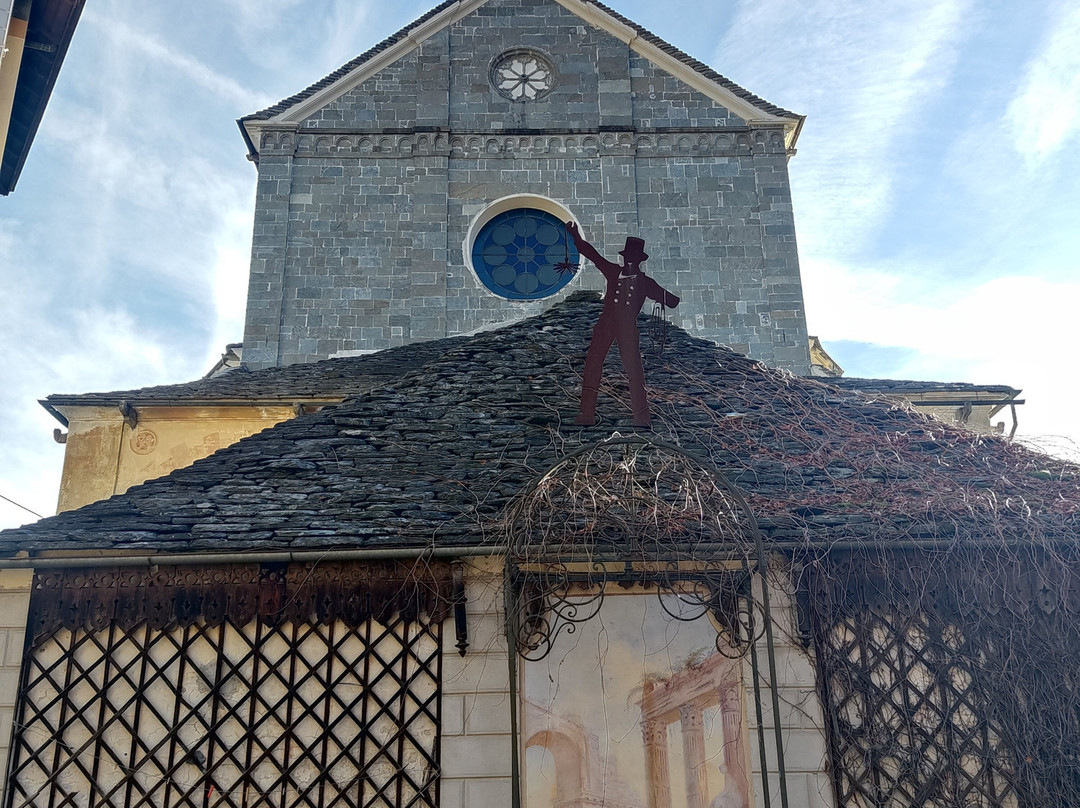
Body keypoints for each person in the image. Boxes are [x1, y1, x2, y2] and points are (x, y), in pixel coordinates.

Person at [565, 221, 679, 426]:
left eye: (633, 258)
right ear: (624, 257)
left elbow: (672, 301)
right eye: (628, 257)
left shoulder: (645, 282)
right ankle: (586, 414)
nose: (630, 260)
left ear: (639, 260)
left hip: (627, 328)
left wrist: (663, 297)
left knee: (634, 369)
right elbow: (591, 254)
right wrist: (575, 236)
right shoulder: (612, 271)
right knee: (593, 364)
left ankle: (642, 417)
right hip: (605, 324)